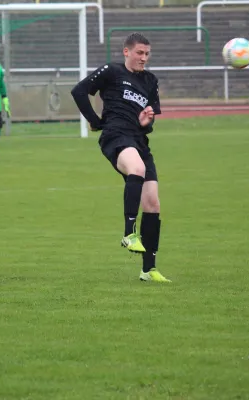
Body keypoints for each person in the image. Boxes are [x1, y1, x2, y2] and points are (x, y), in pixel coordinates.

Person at [71, 33, 171, 283]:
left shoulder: (150, 80)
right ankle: (129, 233)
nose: (144, 58)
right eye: (139, 53)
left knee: (153, 204)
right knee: (136, 169)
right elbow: (79, 91)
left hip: (139, 140)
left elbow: (149, 122)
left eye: (147, 54)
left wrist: (147, 122)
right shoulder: (112, 71)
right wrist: (96, 122)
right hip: (115, 135)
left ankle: (149, 270)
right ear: (126, 52)